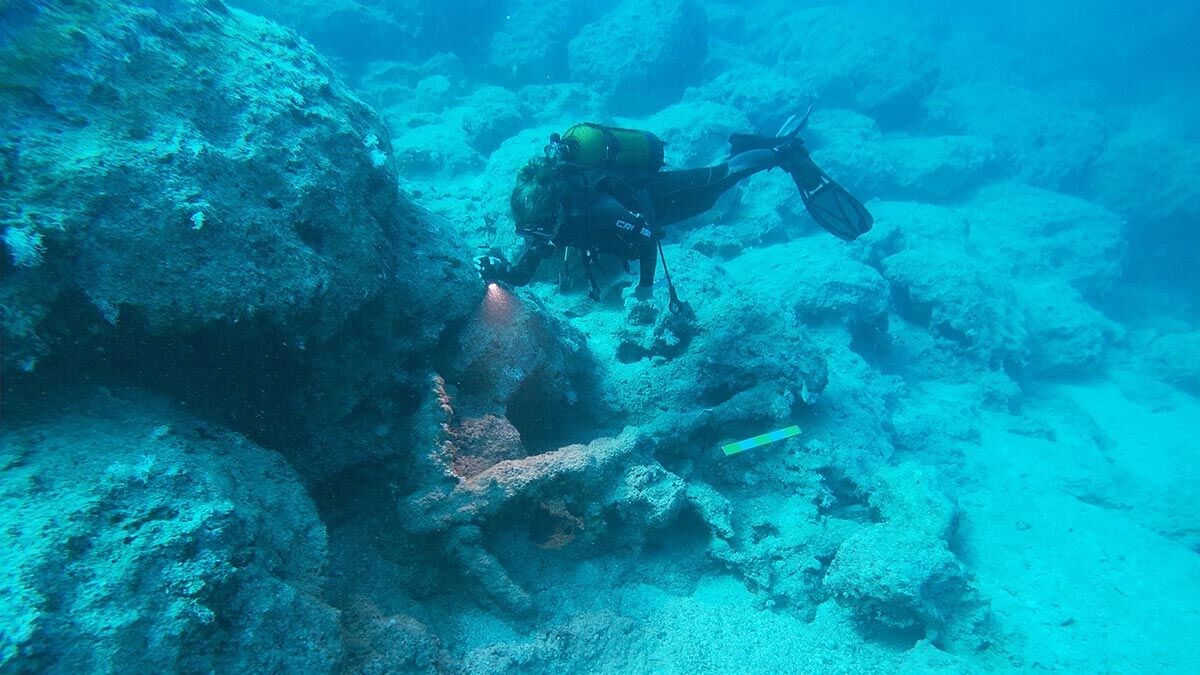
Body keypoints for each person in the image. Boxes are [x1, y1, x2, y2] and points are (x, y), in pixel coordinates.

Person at [475, 109, 872, 312]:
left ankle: (781, 153)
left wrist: (646, 289)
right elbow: (523, 272)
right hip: (634, 206)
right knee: (717, 184)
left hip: (658, 196)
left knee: (717, 182)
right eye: (528, 233)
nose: (536, 241)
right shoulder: (543, 222)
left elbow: (647, 237)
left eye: (540, 230)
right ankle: (755, 149)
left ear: (556, 213)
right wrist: (498, 271)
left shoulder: (599, 207)